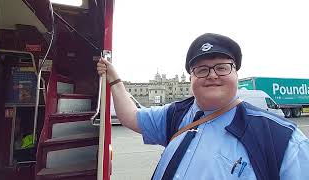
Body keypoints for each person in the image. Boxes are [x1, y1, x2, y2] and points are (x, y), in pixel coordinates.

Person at [97, 33, 309, 180]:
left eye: (222, 67)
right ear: (191, 78)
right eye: (201, 70)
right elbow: (131, 117)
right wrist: (116, 81)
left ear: (237, 73)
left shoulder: (282, 138)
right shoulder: (176, 114)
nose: (213, 75)